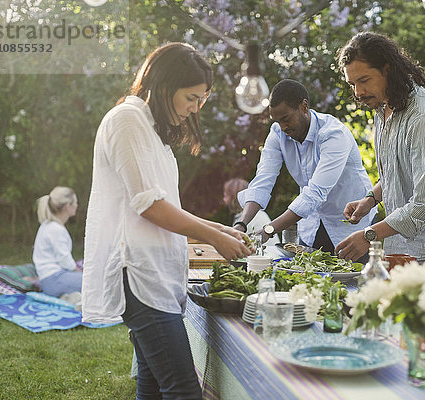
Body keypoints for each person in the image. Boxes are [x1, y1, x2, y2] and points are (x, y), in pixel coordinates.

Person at [81, 42, 252, 400]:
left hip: (157, 274)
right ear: (163, 84)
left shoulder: (152, 131)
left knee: (154, 383)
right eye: (191, 97)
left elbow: (165, 204)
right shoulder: (126, 120)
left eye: (201, 100)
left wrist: (219, 229)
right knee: (183, 389)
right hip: (139, 274)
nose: (195, 109)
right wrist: (214, 238)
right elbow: (149, 207)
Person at [334, 32, 425, 271]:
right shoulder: (384, 109)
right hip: (401, 247)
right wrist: (371, 199)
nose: (358, 92)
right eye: (352, 84)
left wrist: (368, 235)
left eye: (364, 80)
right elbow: (398, 171)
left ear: (387, 69)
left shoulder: (424, 118)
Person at [234, 79, 375, 256]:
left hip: (351, 229)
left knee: (353, 283)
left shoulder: (333, 134)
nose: (282, 127)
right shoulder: (278, 134)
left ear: (304, 107)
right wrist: (241, 225)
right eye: (277, 121)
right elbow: (262, 181)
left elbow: (314, 193)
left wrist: (268, 231)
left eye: (286, 119)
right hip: (311, 229)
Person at [33, 186, 82, 298]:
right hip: (54, 280)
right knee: (94, 282)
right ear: (67, 206)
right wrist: (77, 271)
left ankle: (70, 297)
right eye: (75, 202)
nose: (77, 206)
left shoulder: (48, 225)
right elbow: (64, 259)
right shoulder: (56, 229)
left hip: (50, 279)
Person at [223, 178, 279, 246]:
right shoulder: (259, 214)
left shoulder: (250, 219)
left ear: (233, 197)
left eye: (225, 196)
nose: (224, 199)